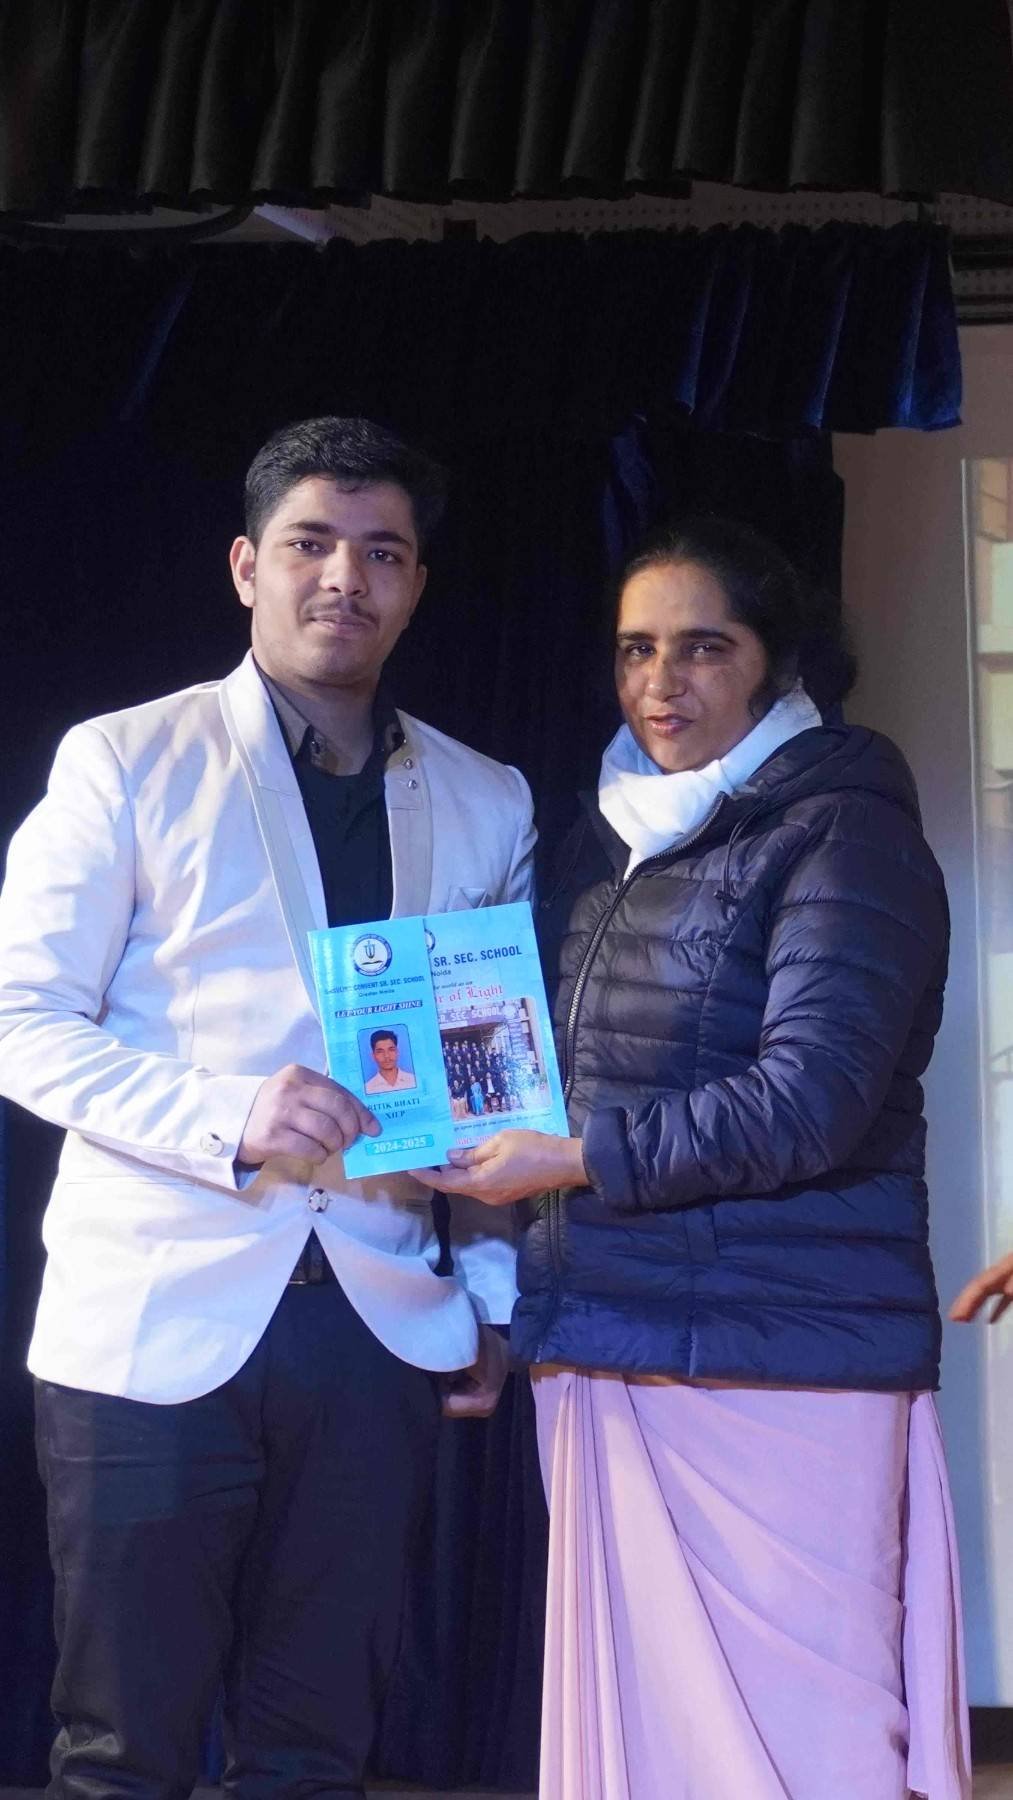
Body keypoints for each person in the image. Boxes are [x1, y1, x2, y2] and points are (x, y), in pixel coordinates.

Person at [0, 416, 534, 1800]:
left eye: (381, 552)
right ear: (247, 566)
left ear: (415, 584)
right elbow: (21, 1021)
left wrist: (486, 1294)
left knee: (314, 1753)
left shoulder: (487, 798)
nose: (343, 578)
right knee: (122, 1754)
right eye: (309, 544)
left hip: (378, 1324)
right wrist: (224, 1113)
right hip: (155, 1316)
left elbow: (487, 1083)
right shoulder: (126, 758)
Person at [424, 517, 971, 1799]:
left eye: (701, 647)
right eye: (634, 650)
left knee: (814, 1743)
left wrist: (571, 1157)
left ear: (778, 663)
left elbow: (809, 1101)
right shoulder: (601, 847)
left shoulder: (845, 831)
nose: (659, 683)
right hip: (607, 1338)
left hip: (786, 1359)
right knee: (650, 1740)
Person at [364, 1026, 417, 1092]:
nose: (386, 1056)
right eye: (380, 1051)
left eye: (391, 1050)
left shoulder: (414, 1081)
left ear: (397, 1052)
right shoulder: (368, 1088)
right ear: (373, 1056)